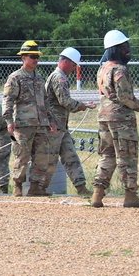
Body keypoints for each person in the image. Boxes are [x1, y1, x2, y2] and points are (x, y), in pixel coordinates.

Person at [91, 30, 139, 208]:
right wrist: (138, 105)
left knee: (107, 155)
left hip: (104, 117)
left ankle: (97, 195)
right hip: (121, 119)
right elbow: (125, 97)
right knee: (127, 156)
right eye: (124, 47)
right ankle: (130, 195)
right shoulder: (119, 69)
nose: (127, 50)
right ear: (115, 49)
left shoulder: (103, 69)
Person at [2, 41, 57, 197]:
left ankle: (35, 187)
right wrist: (9, 121)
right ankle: (18, 185)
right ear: (23, 58)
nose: (35, 60)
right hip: (24, 124)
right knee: (22, 156)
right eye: (32, 57)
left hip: (41, 124)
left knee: (42, 156)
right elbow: (8, 99)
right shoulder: (16, 78)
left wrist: (51, 120)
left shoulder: (39, 79)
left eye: (37, 57)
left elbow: (45, 102)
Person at [43, 47, 96, 196]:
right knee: (51, 160)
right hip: (54, 127)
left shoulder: (58, 76)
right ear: (65, 62)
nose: (74, 69)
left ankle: (81, 188)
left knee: (71, 156)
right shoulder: (59, 78)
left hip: (61, 127)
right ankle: (40, 188)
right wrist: (83, 105)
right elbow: (65, 102)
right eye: (73, 65)